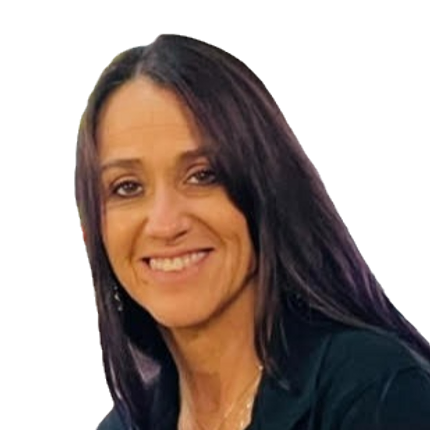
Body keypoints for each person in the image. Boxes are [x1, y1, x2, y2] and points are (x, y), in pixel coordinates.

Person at [75, 33, 430, 430]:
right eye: (126, 187)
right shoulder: (125, 425)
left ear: (266, 188)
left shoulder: (374, 392)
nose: (164, 223)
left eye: (203, 175)